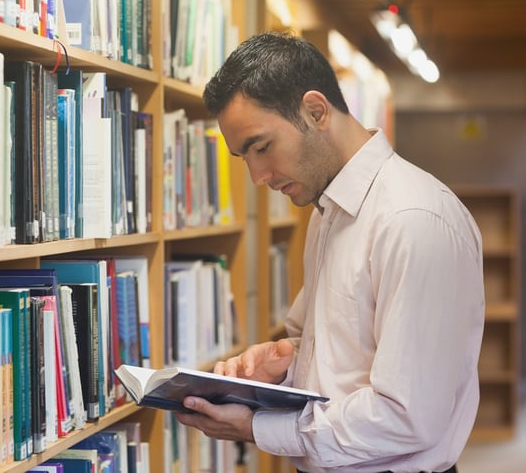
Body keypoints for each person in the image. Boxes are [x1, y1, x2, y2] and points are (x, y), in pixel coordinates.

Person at [175, 31, 485, 473]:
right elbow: (339, 347)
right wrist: (284, 363)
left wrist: (258, 428)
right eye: (245, 157)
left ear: (316, 111)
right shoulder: (327, 211)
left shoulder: (413, 220)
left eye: (262, 147)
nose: (258, 176)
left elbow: (408, 417)